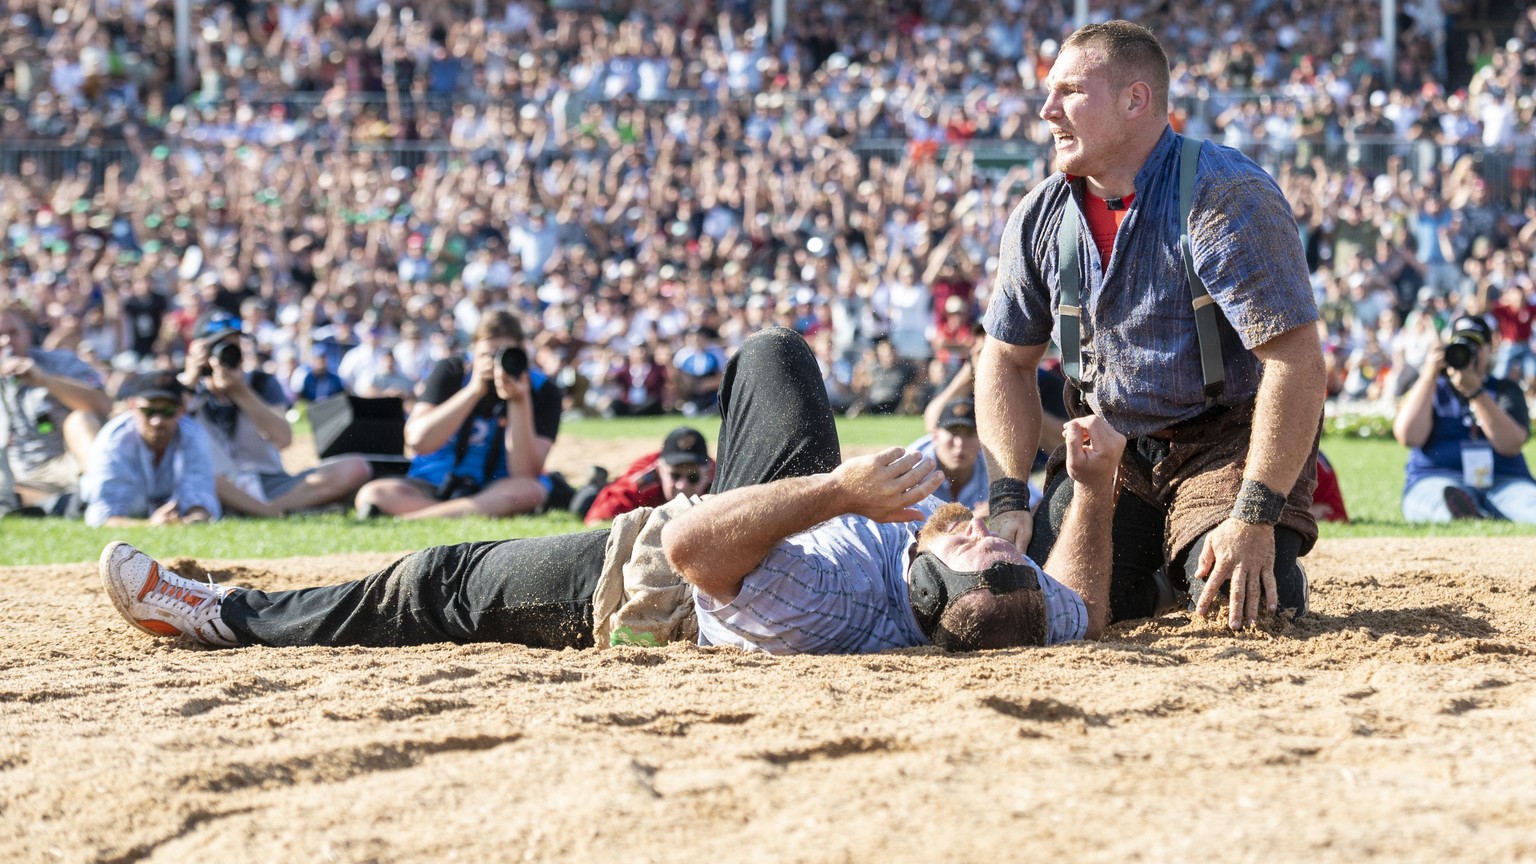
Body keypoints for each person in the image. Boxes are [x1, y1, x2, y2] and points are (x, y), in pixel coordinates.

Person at [98, 328, 1124, 654]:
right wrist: (1089, 490)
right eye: (1006, 547)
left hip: (650, 584)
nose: (988, 531)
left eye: (981, 549)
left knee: (434, 583)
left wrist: (840, 493)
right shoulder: (1027, 606)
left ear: (933, 592)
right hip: (780, 526)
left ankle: (223, 616)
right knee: (774, 354)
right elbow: (1090, 598)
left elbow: (692, 552)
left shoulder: (826, 605)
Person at [977, 21, 1327, 631]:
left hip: (1226, 442)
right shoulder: (1039, 216)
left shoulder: (1226, 194)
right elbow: (1006, 360)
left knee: (1239, 605)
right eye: (1048, 92)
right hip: (1110, 446)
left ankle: (1193, 562)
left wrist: (1255, 511)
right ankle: (1158, 579)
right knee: (1044, 607)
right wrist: (1009, 496)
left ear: (1136, 99)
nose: (1046, 109)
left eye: (1069, 91)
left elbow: (1294, 359)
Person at [352, 309, 562, 519]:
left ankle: (416, 517)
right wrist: (472, 390)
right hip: (435, 483)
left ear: (522, 354)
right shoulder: (452, 371)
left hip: (496, 488)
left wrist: (519, 400)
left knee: (531, 491)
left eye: (504, 355)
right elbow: (417, 441)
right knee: (373, 494)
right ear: (472, 352)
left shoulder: (542, 391)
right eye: (487, 356)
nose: (495, 364)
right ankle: (454, 512)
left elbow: (525, 473)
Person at [182, 311, 372, 518]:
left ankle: (265, 509)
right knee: (201, 475)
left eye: (234, 345)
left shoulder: (261, 382)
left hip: (269, 482)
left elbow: (284, 438)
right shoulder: (181, 388)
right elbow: (169, 433)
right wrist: (190, 380)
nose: (226, 354)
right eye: (218, 346)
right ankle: (276, 511)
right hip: (213, 483)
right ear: (198, 350)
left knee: (355, 467)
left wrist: (240, 390)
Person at [1392, 314, 1536, 522]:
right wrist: (1428, 374)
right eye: (1459, 345)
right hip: (1438, 478)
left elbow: (1511, 444)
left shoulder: (1505, 390)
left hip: (1504, 480)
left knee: (1529, 505)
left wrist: (1476, 393)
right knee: (1437, 502)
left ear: (1489, 349)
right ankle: (1461, 511)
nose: (1467, 352)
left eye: (1475, 345)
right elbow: (1409, 436)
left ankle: (1470, 513)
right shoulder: (1431, 387)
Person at [0, 301, 110, 515]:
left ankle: (99, 498)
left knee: (80, 420)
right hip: (15, 475)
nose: (6, 341)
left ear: (28, 335)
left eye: (13, 332)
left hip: (67, 464)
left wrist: (45, 380)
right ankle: (62, 504)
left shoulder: (60, 362)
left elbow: (103, 405)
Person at [79, 371, 220, 527]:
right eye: (149, 411)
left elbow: (201, 501)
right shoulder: (114, 440)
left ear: (181, 411)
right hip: (83, 503)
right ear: (132, 407)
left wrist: (189, 521)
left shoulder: (194, 435)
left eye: (167, 412)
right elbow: (102, 517)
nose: (157, 421)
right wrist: (150, 525)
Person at [576, 426, 714, 525]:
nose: (682, 485)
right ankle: (595, 483)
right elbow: (597, 520)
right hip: (596, 496)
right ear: (659, 471)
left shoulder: (719, 481)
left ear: (707, 474)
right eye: (675, 476)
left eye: (693, 477)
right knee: (582, 503)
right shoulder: (643, 481)